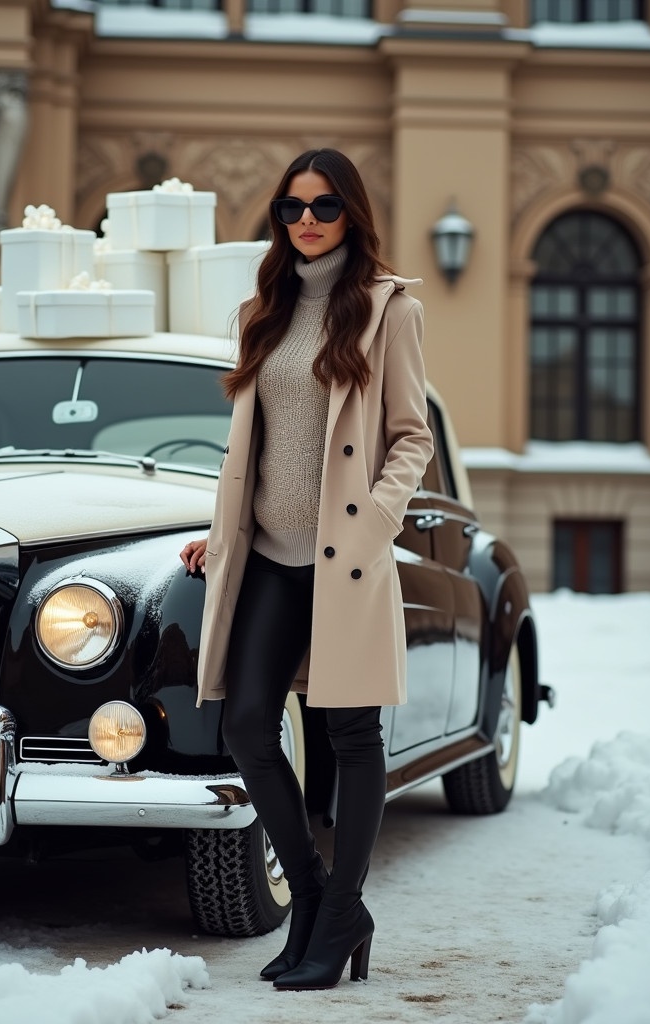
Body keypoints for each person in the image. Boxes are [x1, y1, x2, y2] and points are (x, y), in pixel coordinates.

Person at [179, 148, 433, 991]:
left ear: (351, 213)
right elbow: (249, 450)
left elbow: (411, 436)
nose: (308, 221)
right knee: (247, 723)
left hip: (344, 560)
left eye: (323, 206)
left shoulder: (388, 310)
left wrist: (372, 524)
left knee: (350, 735)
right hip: (271, 559)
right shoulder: (265, 307)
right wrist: (218, 535)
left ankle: (338, 910)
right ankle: (324, 899)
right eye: (291, 208)